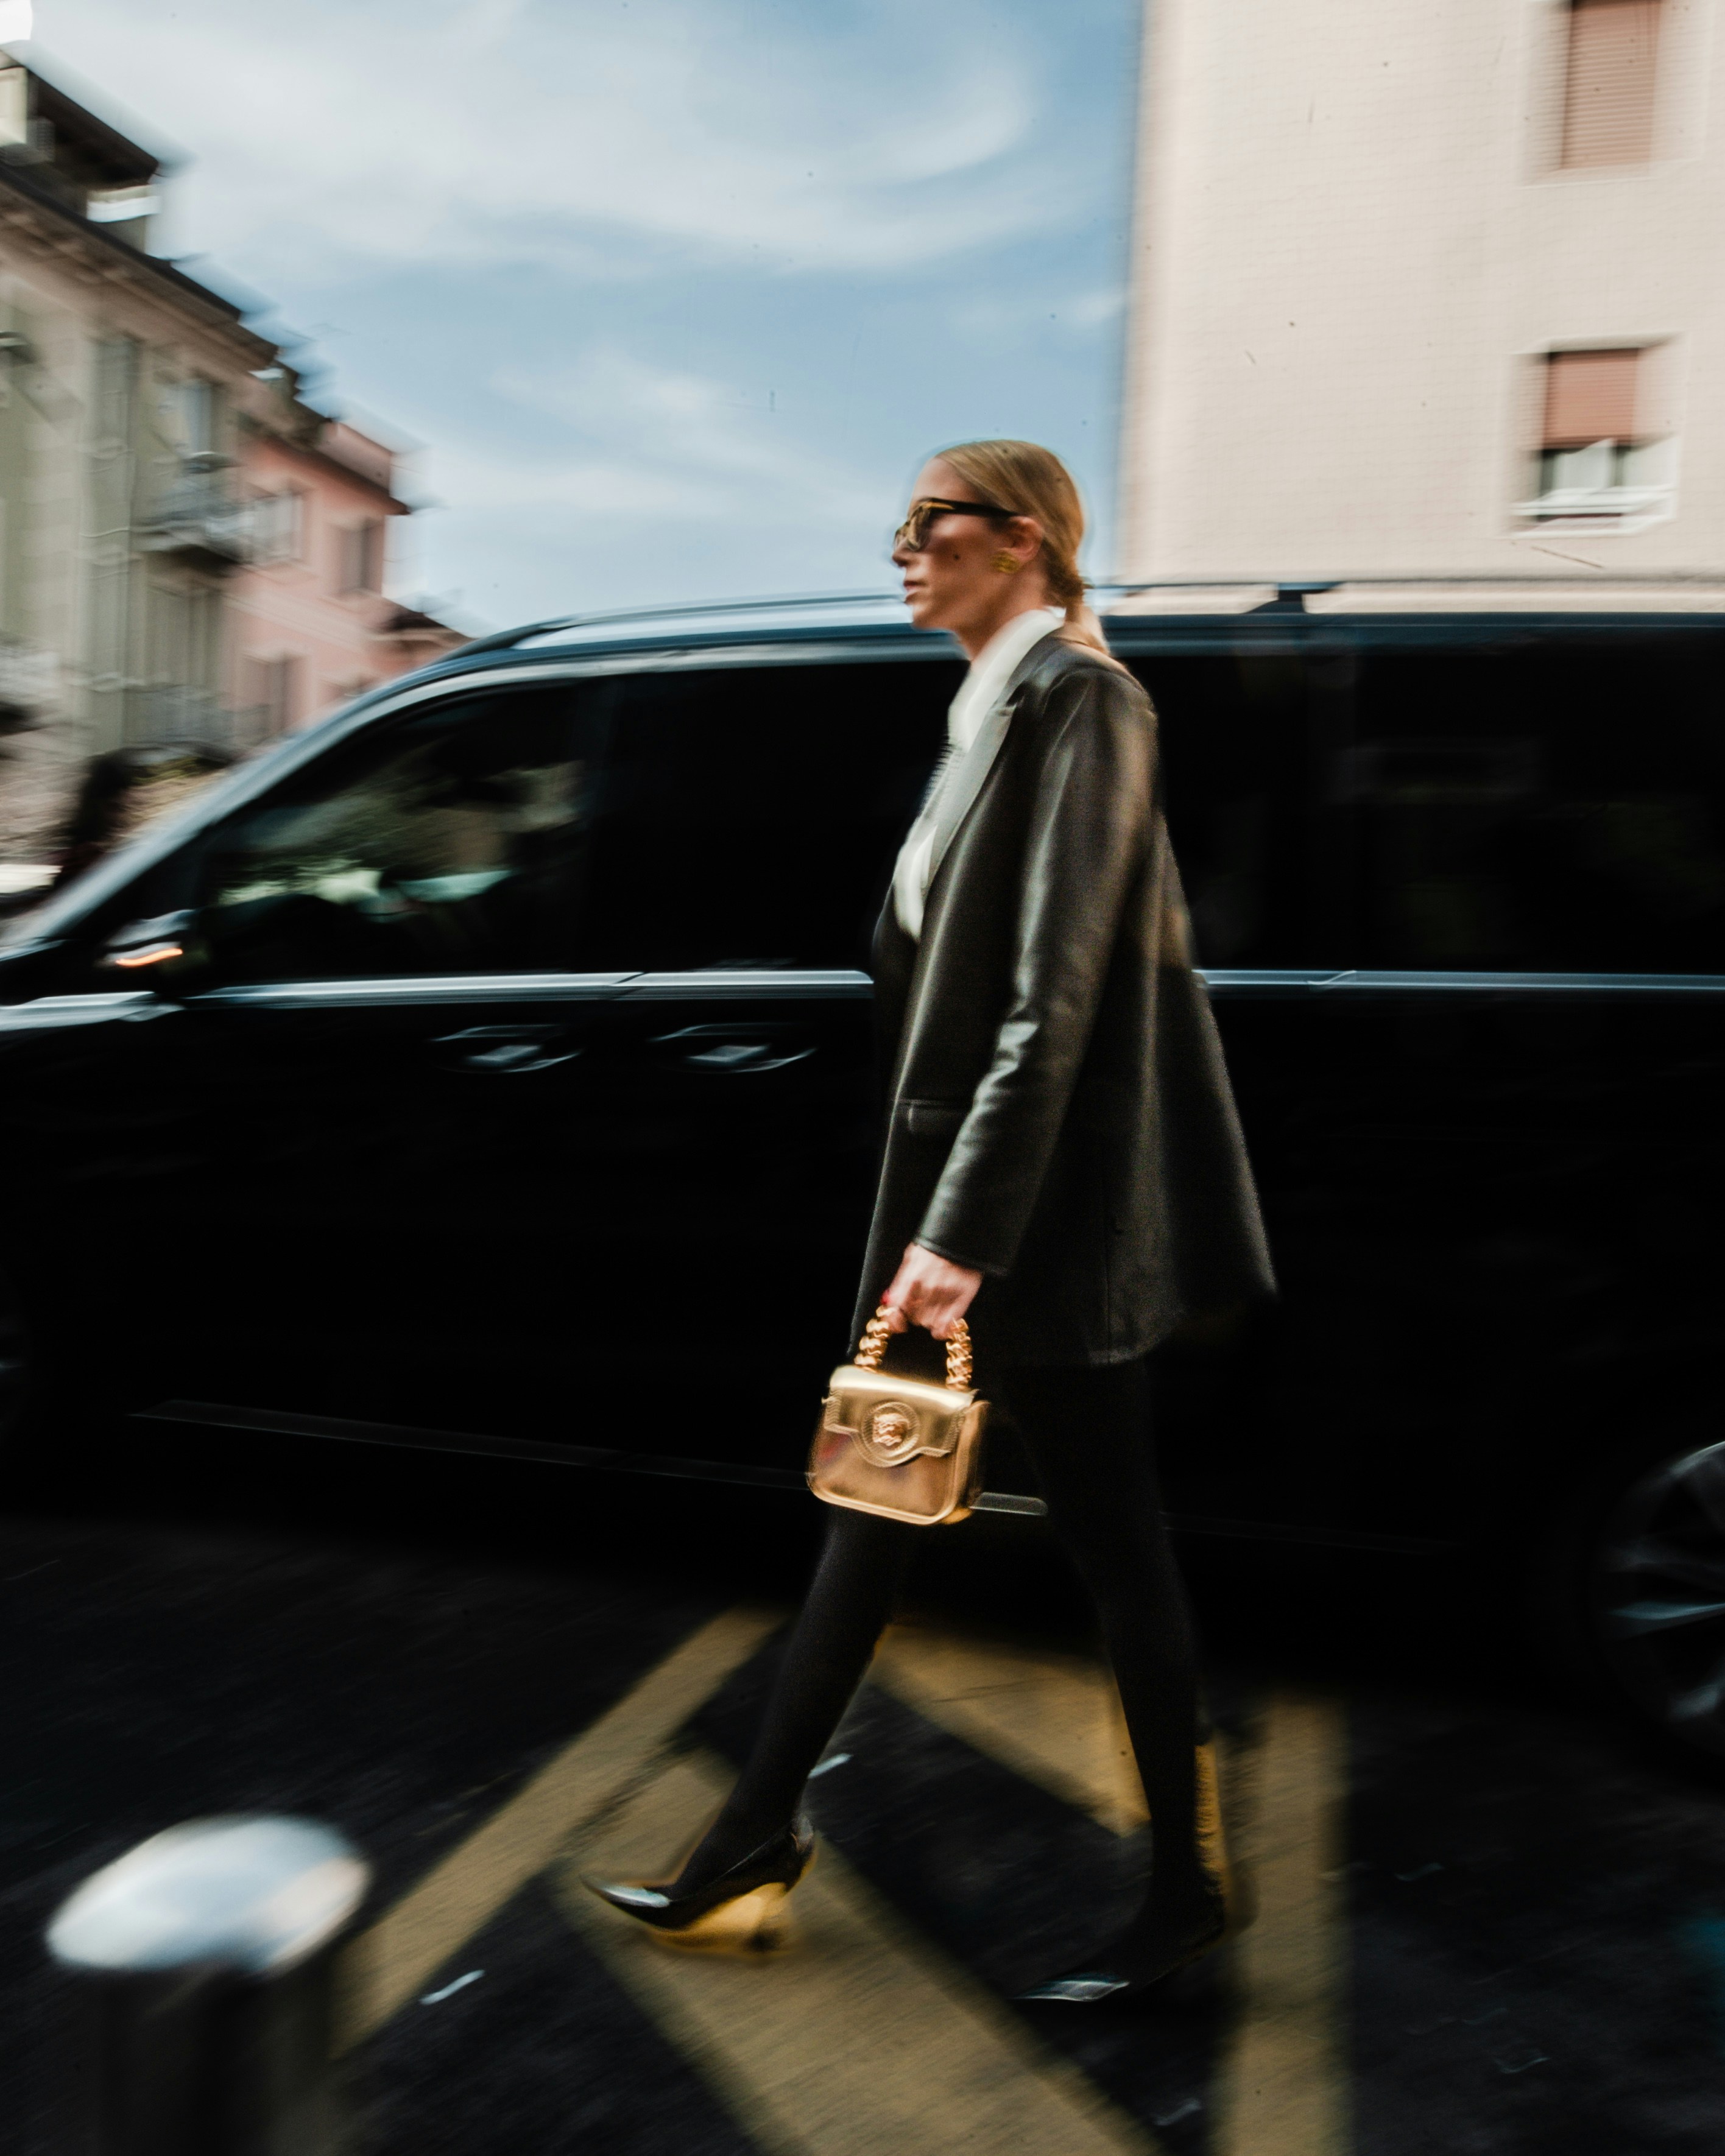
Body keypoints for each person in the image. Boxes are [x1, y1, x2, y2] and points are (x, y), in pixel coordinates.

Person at [587, 439, 1275, 2003]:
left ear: (1020, 540)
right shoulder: (989, 711)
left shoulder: (1084, 705)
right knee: (876, 1505)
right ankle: (752, 1839)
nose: (898, 551)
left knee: (1114, 1548)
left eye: (925, 527)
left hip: (1033, 1224)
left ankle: (1182, 1889)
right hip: (970, 1206)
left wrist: (962, 1234)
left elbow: (1057, 998)